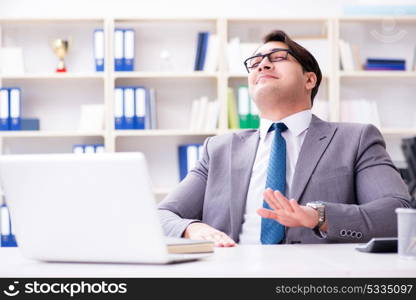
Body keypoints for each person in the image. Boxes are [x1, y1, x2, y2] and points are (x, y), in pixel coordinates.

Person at [158, 30, 411, 247]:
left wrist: (319, 216)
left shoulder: (355, 139)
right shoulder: (219, 149)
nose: (263, 65)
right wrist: (192, 228)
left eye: (278, 58)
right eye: (255, 62)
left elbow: (397, 213)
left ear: (309, 79)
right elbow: (162, 215)